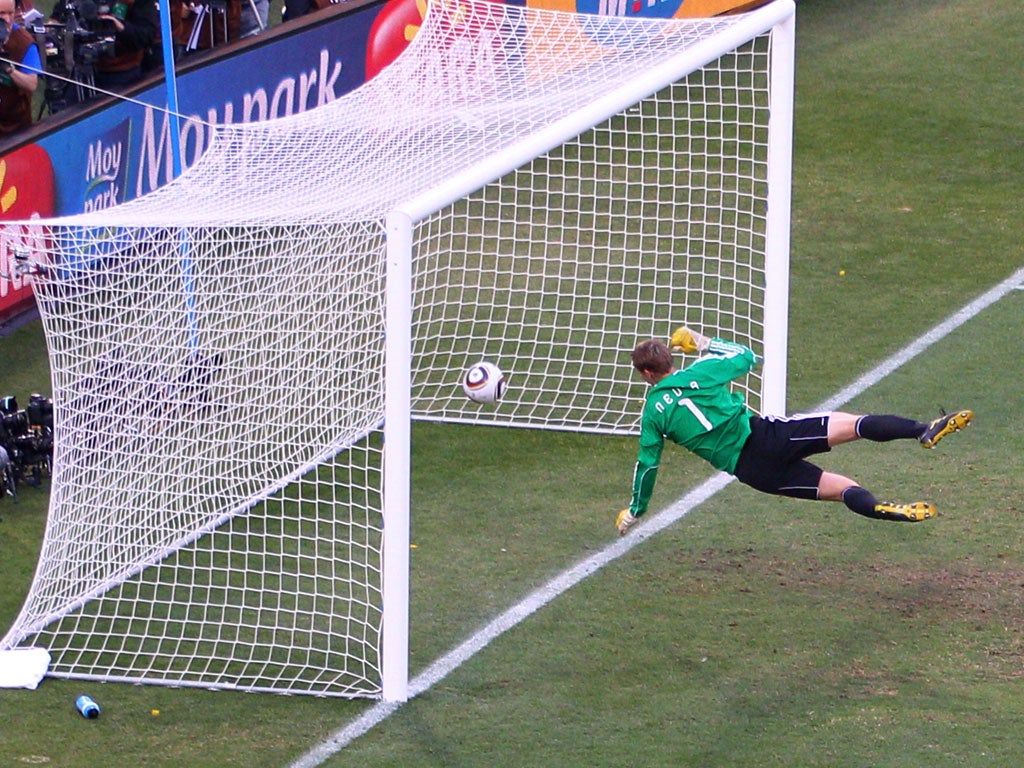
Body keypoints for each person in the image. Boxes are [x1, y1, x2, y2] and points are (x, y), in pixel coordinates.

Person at [615, 326, 973, 535]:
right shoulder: (702, 372)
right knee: (854, 425)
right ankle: (922, 430)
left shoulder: (652, 415)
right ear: (670, 361)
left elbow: (648, 465)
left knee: (842, 488)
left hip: (751, 470)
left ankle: (881, 508)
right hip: (766, 436)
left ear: (647, 375)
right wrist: (702, 342)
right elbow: (745, 355)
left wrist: (635, 510)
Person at [0, 0, 40, 135]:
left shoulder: (24, 42)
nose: (7, 19)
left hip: (14, 127)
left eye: (10, 13)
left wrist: (8, 70)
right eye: (1, 13)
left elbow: (31, 84)